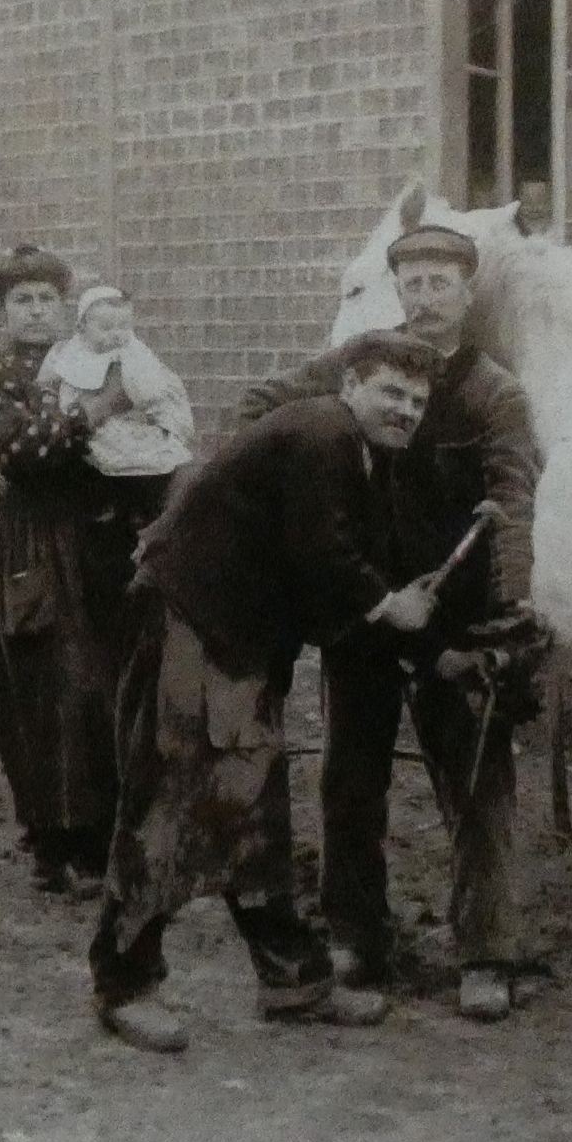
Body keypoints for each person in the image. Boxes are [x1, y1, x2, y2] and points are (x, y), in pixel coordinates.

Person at [90, 329, 448, 1054]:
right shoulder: (325, 432)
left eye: (417, 400)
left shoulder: (354, 450)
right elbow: (325, 557)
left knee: (252, 799)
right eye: (392, 391)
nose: (406, 409)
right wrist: (389, 607)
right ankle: (123, 983)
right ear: (351, 384)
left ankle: (293, 979)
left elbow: (322, 567)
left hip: (236, 638)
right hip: (191, 624)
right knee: (173, 800)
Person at [240, 223, 546, 1023]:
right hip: (370, 610)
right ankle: (358, 935)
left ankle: (485, 951)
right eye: (411, 282)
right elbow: (262, 406)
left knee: (476, 778)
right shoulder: (363, 364)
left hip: (456, 617)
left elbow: (513, 503)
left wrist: (510, 610)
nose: (425, 298)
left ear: (468, 293)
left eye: (441, 282)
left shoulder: (492, 392)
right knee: (350, 777)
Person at [0, 245, 144, 897]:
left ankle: (99, 837)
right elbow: (21, 451)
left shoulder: (94, 361)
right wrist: (96, 412)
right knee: (44, 685)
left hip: (100, 535)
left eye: (46, 299)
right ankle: (51, 840)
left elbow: (147, 425)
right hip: (29, 541)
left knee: (106, 685)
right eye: (22, 301)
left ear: (65, 307)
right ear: (2, 313)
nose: (37, 310)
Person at [35, 285, 194, 519]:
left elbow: (151, 389)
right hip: (88, 427)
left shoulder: (132, 351)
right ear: (82, 327)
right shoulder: (71, 351)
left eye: (123, 327)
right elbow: (50, 377)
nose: (116, 334)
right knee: (93, 464)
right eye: (106, 328)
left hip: (128, 423)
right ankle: (108, 503)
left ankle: (141, 506)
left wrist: (136, 385)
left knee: (144, 461)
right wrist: (49, 393)